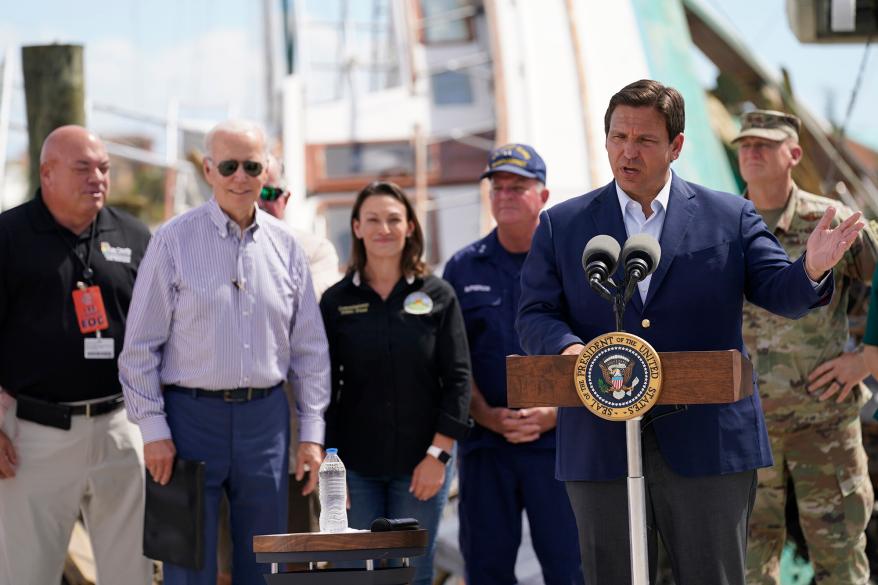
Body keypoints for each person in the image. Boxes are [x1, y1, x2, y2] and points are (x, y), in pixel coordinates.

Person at [516, 79, 864, 585]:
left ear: (676, 146)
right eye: (618, 137)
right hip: (601, 442)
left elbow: (780, 292)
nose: (627, 151)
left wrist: (810, 267)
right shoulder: (562, 225)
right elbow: (534, 315)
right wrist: (569, 349)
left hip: (709, 443)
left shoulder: (729, 216)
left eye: (645, 140)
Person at [118, 119, 331, 585]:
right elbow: (138, 349)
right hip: (188, 420)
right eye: (229, 165)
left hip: (266, 423)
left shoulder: (288, 249)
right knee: (187, 564)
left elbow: (310, 351)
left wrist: (312, 433)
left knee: (264, 563)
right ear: (210, 170)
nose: (241, 176)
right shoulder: (171, 241)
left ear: (267, 170)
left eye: (251, 166)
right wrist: (153, 430)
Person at [0, 125, 153, 585]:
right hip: (32, 436)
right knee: (25, 575)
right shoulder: (8, 237)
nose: (97, 178)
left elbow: (160, 334)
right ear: (46, 173)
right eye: (82, 167)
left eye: (104, 167)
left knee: (133, 575)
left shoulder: (135, 234)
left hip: (121, 428)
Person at [735, 110, 877, 584]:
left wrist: (870, 357)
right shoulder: (721, 227)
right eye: (745, 144)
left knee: (840, 563)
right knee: (748, 566)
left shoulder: (832, 222)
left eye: (764, 143)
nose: (751, 151)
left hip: (824, 424)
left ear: (794, 154)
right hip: (746, 430)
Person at [443, 144, 583, 585]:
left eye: (517, 187)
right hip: (488, 446)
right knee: (486, 569)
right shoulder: (463, 268)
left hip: (561, 446)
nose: (504, 194)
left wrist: (555, 415)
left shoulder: (574, 265)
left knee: (570, 568)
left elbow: (597, 354)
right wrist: (486, 415)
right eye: (497, 186)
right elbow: (453, 360)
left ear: (543, 195)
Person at [319, 181, 471, 585]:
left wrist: (437, 457)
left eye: (393, 219)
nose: (383, 228)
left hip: (422, 463)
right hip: (356, 468)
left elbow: (458, 379)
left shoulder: (438, 295)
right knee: (360, 574)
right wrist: (331, 468)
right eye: (372, 219)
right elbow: (324, 387)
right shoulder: (335, 302)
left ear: (409, 228)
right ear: (356, 228)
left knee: (412, 574)